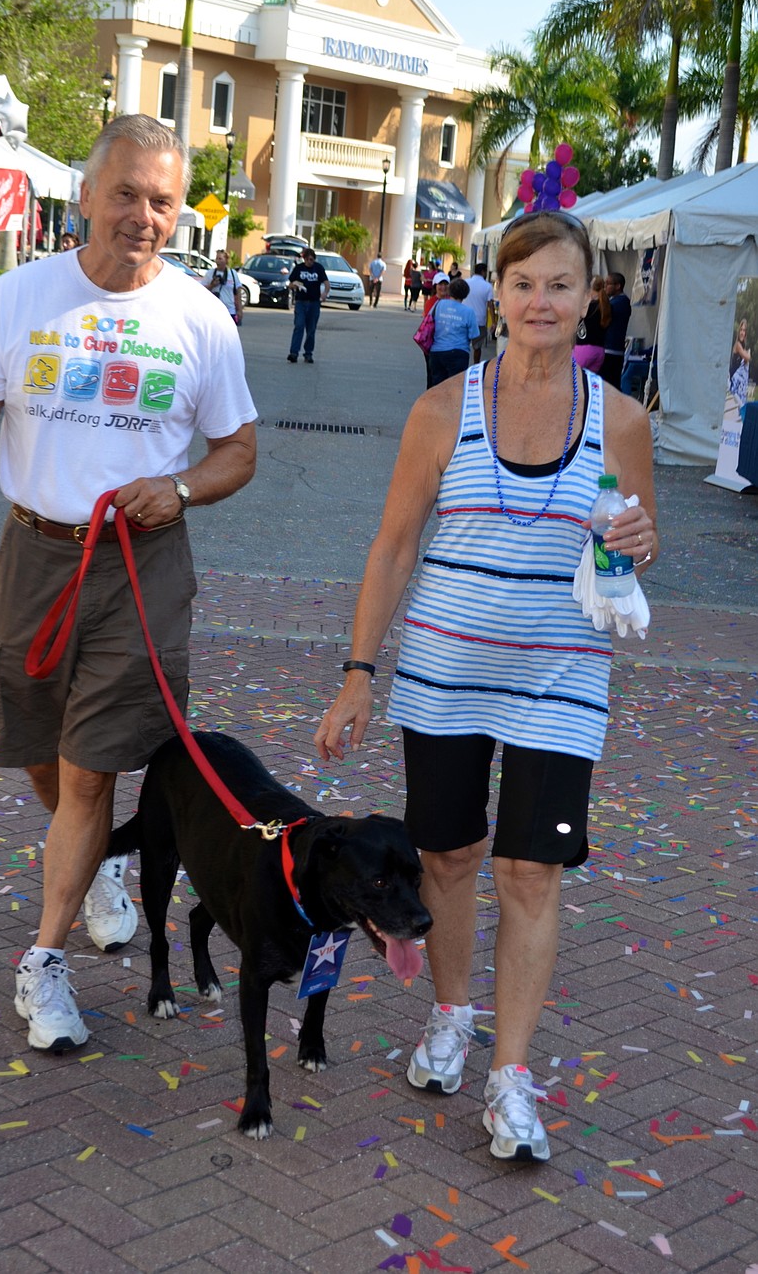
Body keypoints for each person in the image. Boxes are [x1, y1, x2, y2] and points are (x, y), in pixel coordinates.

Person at [315, 209, 657, 1163]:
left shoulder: (623, 420)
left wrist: (639, 540)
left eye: (560, 284)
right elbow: (392, 546)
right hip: (443, 674)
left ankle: (511, 1078)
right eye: (522, 283)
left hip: (561, 676)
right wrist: (357, 675)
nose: (540, 301)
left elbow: (642, 539)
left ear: (589, 294)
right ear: (495, 295)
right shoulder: (442, 410)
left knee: (531, 871)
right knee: (452, 859)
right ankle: (451, 1018)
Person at [0, 114, 258, 1054]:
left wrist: (179, 487)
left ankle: (46, 960)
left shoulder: (201, 318)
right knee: (34, 739)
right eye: (126, 194)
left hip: (141, 568)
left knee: (90, 764)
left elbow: (239, 452)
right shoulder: (18, 298)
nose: (143, 216)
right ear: (86, 198)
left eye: (162, 200)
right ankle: (95, 865)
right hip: (34, 555)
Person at [429, 277, 481, 387]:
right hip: (458, 353)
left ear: (450, 290)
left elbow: (429, 320)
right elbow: (474, 335)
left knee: (437, 387)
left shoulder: (439, 304)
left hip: (437, 351)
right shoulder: (468, 312)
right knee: (455, 389)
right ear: (466, 294)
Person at [287, 246, 329, 364]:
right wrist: (294, 285)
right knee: (299, 326)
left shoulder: (319, 268)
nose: (310, 262)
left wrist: (325, 293)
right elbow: (290, 284)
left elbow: (326, 283)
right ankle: (294, 353)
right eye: (308, 259)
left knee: (311, 330)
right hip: (301, 302)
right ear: (304, 259)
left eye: (312, 260)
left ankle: (308, 353)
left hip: (314, 303)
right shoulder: (298, 269)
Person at [573, 274, 610, 374]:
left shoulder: (589, 305)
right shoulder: (605, 305)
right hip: (599, 350)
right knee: (588, 384)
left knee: (571, 380)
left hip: (583, 348)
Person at [419, 270, 450, 388]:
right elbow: (429, 324)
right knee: (432, 376)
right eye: (440, 284)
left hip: (447, 344)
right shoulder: (430, 302)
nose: (443, 287)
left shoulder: (451, 301)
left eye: (445, 284)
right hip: (433, 344)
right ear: (435, 286)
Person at [602, 271, 631, 388]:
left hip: (612, 350)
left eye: (608, 284)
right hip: (608, 349)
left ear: (618, 286)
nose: (605, 287)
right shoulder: (614, 301)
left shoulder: (621, 302)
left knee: (610, 386)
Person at [462, 262, 494, 365]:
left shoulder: (465, 282)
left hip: (464, 318)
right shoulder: (487, 286)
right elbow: (490, 305)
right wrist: (493, 321)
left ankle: (464, 364)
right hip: (480, 320)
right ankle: (476, 365)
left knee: (463, 344)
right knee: (477, 347)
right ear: (483, 272)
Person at [201, 248, 243, 326]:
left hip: (230, 310)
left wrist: (239, 310)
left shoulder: (232, 274)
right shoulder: (210, 273)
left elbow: (238, 292)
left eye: (220, 259)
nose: (218, 261)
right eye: (217, 258)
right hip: (214, 311)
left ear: (226, 260)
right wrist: (212, 285)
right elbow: (202, 290)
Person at [729, 318, 751, 409]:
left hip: (739, 384)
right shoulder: (738, 345)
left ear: (746, 333)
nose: (742, 332)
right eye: (741, 330)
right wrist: (748, 353)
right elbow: (747, 357)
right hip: (733, 382)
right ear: (738, 332)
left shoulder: (743, 346)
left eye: (744, 330)